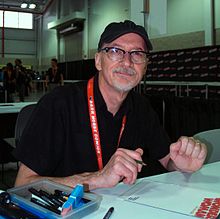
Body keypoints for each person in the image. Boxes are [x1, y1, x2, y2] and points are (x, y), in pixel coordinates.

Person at [14, 20, 207, 190]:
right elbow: (23, 184)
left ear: (145, 66)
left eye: (137, 54)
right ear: (98, 61)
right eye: (115, 51)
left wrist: (181, 164)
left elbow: (167, 159)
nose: (127, 61)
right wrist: (96, 179)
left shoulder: (142, 107)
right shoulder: (58, 104)